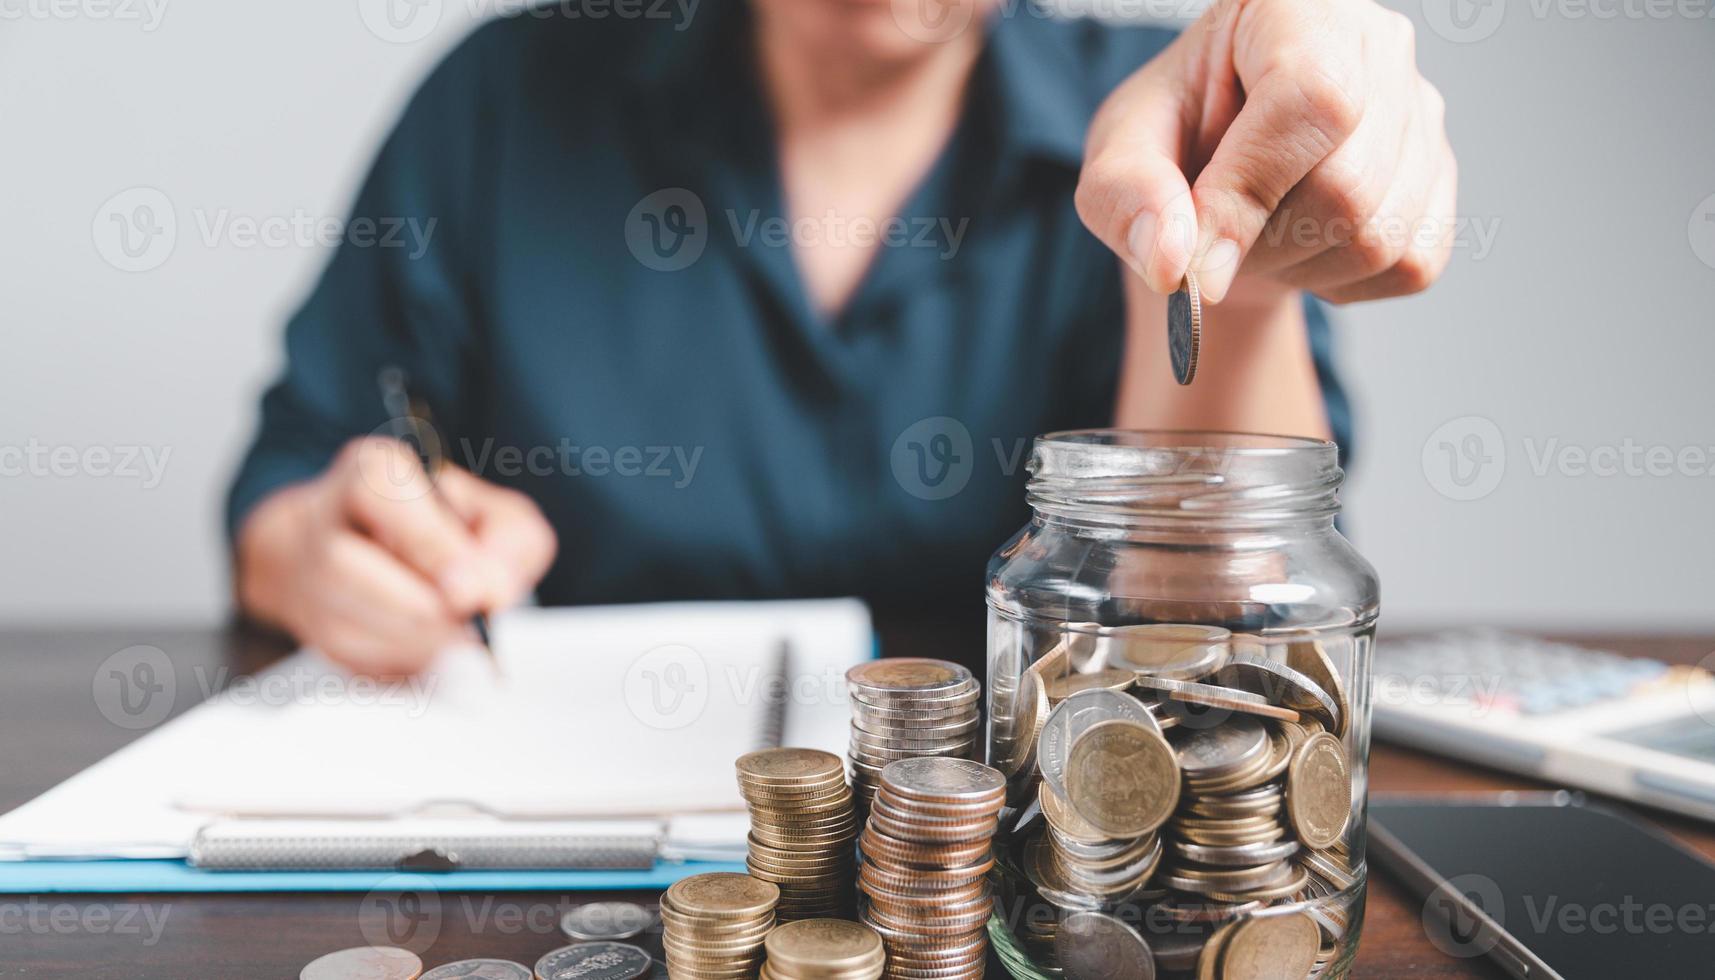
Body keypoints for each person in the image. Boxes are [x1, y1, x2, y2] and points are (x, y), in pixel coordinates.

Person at [229, 0, 1455, 676]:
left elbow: (1223, 630)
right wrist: (340, 546)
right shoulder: (496, 101)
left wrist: (1220, 259)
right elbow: (289, 483)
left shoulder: (1181, 121)